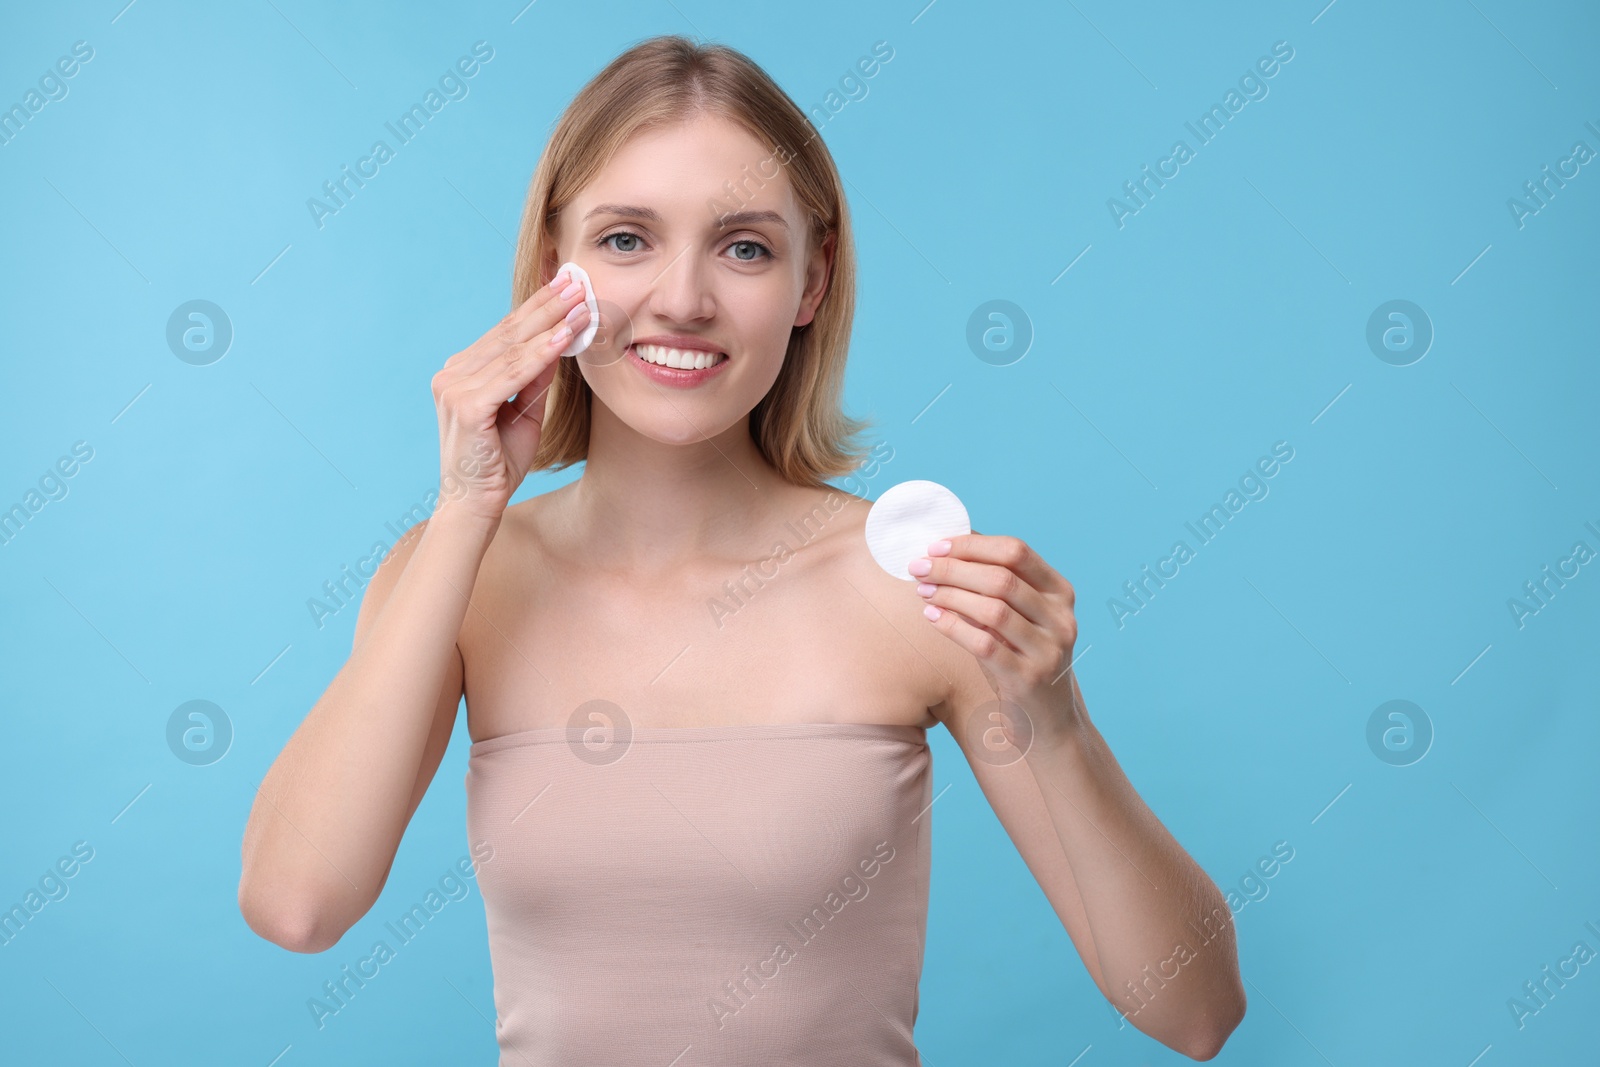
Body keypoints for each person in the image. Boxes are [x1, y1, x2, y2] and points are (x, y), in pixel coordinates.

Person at [238, 34, 1245, 1064]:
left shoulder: (913, 586)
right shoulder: (462, 578)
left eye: (745, 247)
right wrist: (464, 507)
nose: (682, 299)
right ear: (555, 269)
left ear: (813, 281)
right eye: (626, 239)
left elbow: (1195, 1011)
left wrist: (1057, 721)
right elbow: (296, 902)